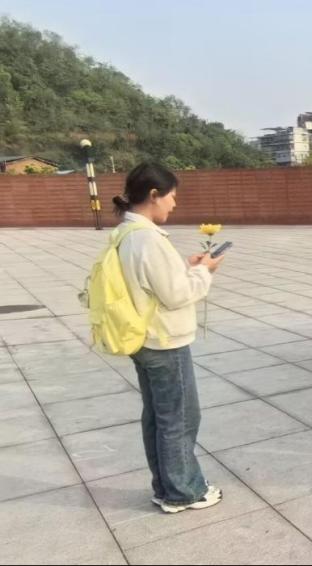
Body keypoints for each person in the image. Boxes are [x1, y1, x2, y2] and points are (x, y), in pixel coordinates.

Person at [113, 162, 225, 514]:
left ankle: (165, 486)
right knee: (180, 418)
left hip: (143, 337)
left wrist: (185, 267)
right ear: (153, 195)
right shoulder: (148, 239)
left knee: (158, 417)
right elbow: (176, 295)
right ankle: (183, 491)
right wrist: (204, 272)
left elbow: (152, 283)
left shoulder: (127, 232)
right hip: (164, 341)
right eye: (172, 197)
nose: (174, 204)